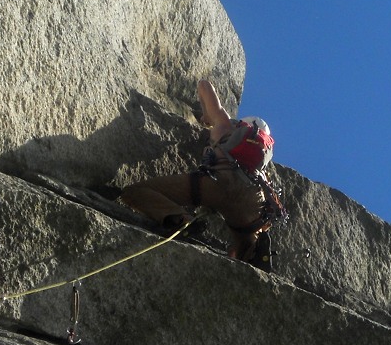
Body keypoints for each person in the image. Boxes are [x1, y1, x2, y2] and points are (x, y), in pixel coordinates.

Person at [119, 78, 277, 264]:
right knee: (246, 241)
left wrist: (207, 116)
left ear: (241, 126)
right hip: (254, 201)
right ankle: (253, 250)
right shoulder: (262, 168)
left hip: (219, 182)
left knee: (135, 192)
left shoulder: (226, 126)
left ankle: (181, 219)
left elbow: (204, 85)